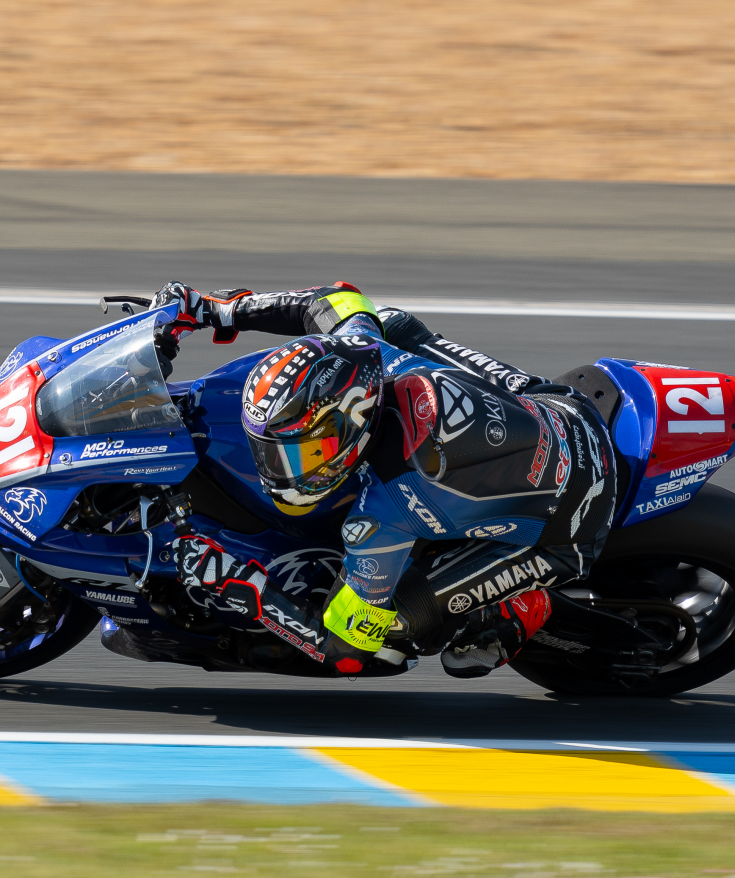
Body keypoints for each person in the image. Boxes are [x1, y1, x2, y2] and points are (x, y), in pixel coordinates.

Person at [156, 281, 615, 678]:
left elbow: (344, 651)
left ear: (351, 417)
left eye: (304, 452)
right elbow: (336, 298)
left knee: (398, 626)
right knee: (393, 325)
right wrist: (216, 308)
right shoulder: (364, 349)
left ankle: (517, 612)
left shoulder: (384, 515)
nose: (280, 470)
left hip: (570, 527)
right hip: (563, 407)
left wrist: (244, 586)